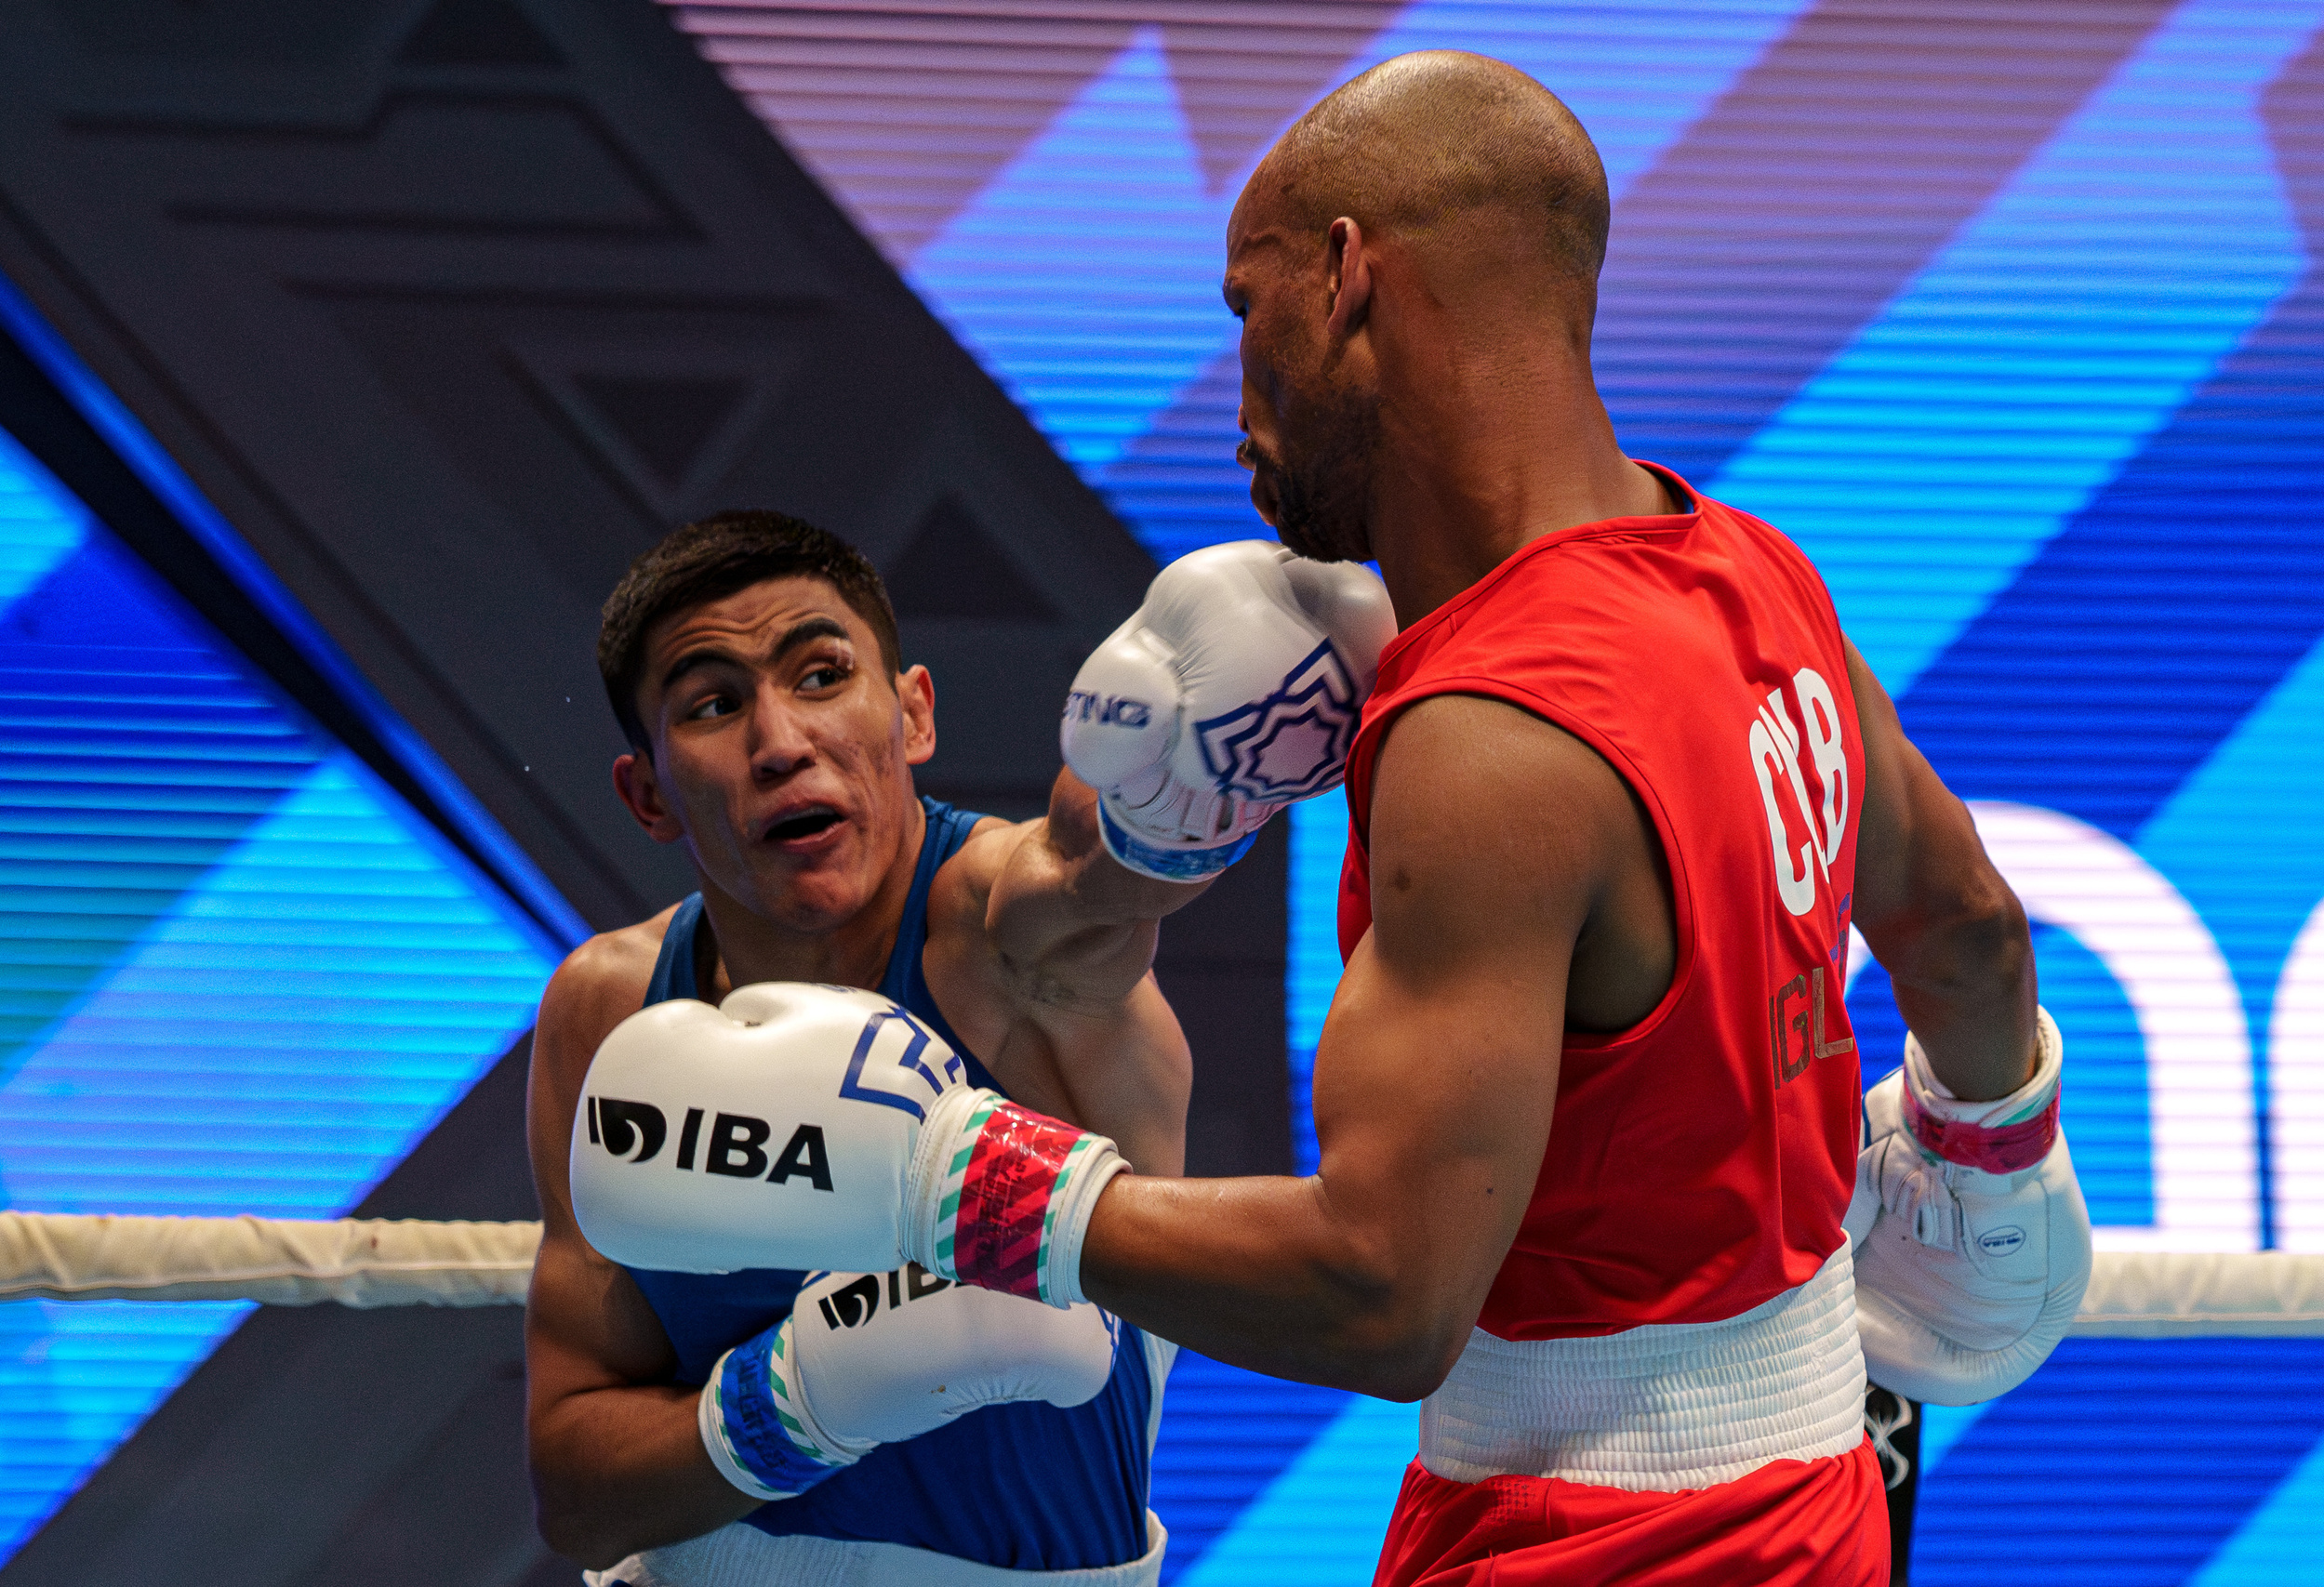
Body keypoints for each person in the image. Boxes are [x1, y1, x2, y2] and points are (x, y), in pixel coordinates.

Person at [571, 54, 2089, 1586]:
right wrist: (1990, 1150)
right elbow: (1964, 926)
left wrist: (965, 1176)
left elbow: (1385, 1295)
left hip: (1588, 1537)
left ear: (1348, 277)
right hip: (1819, 1501)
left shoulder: (1486, 729)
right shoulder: (1754, 575)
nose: (1238, 406)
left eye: (1248, 309)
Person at [525, 509, 1388, 1585]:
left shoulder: (996, 935)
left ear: (913, 713)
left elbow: (1083, 878)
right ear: (647, 794)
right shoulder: (610, 1011)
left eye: (822, 676)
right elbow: (577, 1496)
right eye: (713, 704)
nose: (781, 742)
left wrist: (1188, 791)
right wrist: (795, 1404)